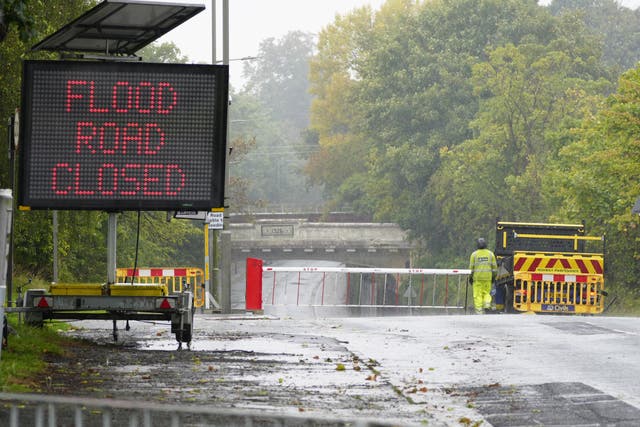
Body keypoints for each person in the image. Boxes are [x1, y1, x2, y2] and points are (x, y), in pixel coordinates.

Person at [469, 237, 497, 314]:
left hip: (477, 279)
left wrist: (470, 278)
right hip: (488, 278)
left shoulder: (474, 255)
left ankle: (479, 311)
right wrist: (493, 277)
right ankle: (487, 305)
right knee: (487, 293)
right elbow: (494, 268)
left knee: (477, 295)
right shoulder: (490, 254)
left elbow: (471, 268)